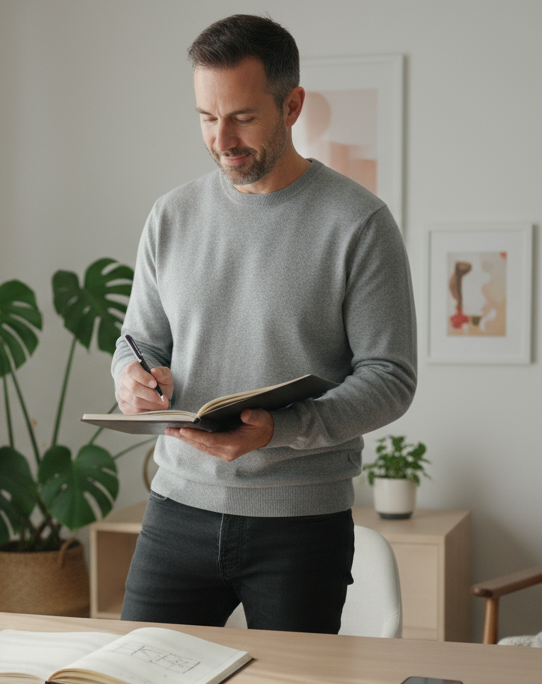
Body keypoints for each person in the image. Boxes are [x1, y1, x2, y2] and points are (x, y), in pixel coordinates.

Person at [112, 14, 417, 634]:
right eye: (205, 117)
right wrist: (129, 378)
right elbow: (138, 340)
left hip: (302, 526)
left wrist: (281, 429)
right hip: (176, 510)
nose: (222, 138)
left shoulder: (359, 223)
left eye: (243, 117)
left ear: (293, 105)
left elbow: (391, 377)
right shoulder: (170, 216)